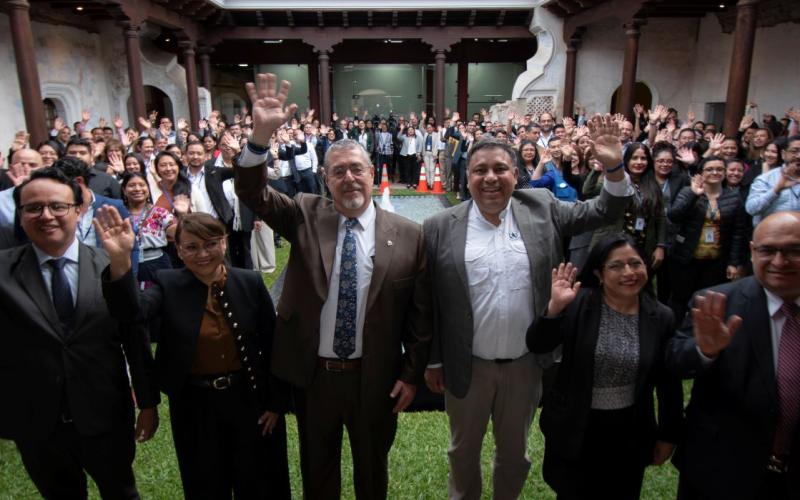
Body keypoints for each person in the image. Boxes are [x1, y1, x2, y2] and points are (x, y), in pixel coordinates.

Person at [234, 74, 431, 499]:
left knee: (371, 474)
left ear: (372, 172)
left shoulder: (410, 235)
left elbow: (419, 316)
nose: (349, 179)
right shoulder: (305, 213)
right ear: (326, 180)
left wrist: (412, 374)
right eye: (337, 171)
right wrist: (260, 137)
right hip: (315, 378)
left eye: (356, 169)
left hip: (375, 379)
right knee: (317, 474)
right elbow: (252, 192)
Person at [423, 116, 632, 500]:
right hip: (466, 363)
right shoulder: (440, 225)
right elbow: (430, 299)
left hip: (524, 365)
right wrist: (434, 359)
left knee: (515, 456)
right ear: (466, 177)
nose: (490, 178)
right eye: (479, 170)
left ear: (515, 174)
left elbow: (605, 211)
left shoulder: (542, 206)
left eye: (500, 168)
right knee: (462, 452)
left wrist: (614, 167)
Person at [99, 210, 291, 499]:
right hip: (195, 406)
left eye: (211, 243)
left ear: (224, 243)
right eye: (191, 246)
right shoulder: (168, 285)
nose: (203, 253)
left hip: (250, 403)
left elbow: (274, 342)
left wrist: (275, 403)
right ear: (178, 250)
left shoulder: (248, 282)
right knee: (205, 483)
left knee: (259, 482)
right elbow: (131, 313)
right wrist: (120, 261)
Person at [0, 167, 157, 499]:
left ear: (78, 209)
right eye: (33, 208)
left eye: (58, 206)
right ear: (20, 214)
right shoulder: (4, 271)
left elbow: (133, 331)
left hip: (104, 413)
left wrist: (147, 402)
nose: (47, 215)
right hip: (37, 420)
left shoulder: (108, 263)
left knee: (122, 492)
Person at [526, 236, 682, 499]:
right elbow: (538, 344)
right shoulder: (579, 303)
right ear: (598, 273)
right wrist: (555, 309)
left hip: (629, 432)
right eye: (617, 266)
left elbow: (669, 382)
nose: (629, 272)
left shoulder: (660, 317)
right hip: (577, 427)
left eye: (635, 263)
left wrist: (668, 434)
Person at [667, 211, 800, 499]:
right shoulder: (718, 302)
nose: (780, 261)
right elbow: (675, 360)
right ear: (752, 251)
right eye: (768, 250)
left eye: (794, 251)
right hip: (722, 471)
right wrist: (704, 351)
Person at [667, 156, 748, 323]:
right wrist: (694, 194)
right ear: (701, 173)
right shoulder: (688, 191)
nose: (715, 172)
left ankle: (698, 339)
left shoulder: (734, 198)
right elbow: (674, 216)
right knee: (680, 300)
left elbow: (738, 233)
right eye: (710, 169)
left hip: (715, 261)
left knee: (707, 302)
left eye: (719, 169)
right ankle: (674, 337)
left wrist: (733, 263)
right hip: (686, 258)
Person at [120, 172, 176, 288]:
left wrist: (183, 213)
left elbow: (175, 231)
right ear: (124, 190)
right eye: (132, 185)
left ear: (148, 189)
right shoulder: (118, 212)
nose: (137, 189)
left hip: (156, 264)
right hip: (125, 264)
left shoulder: (159, 212)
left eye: (142, 185)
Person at [746, 135, 800, 226]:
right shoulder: (766, 179)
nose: (799, 156)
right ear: (783, 154)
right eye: (794, 151)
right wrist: (776, 190)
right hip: (773, 237)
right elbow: (751, 209)